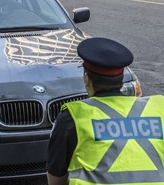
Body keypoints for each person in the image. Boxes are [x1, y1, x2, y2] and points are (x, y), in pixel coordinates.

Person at [47, 37, 164, 185]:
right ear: (121, 78)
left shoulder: (73, 116)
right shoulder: (158, 108)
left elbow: (56, 178)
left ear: (86, 79)